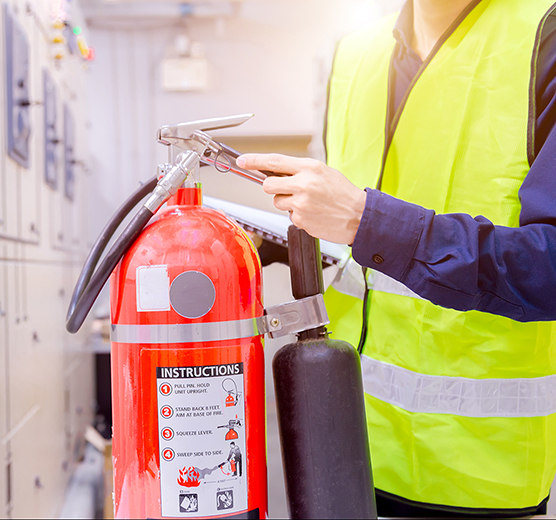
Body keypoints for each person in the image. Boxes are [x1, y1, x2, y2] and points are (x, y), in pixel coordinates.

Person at [237, 0, 556, 517]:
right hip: (341, 443)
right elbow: (350, 242)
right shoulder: (349, 54)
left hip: (474, 474)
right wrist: (263, 238)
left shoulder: (544, 35)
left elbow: (550, 268)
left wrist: (367, 221)